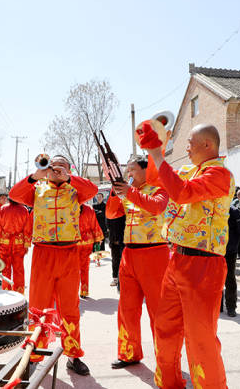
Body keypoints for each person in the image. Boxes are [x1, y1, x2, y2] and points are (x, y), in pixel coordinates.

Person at [141, 123, 235, 389]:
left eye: (191, 142)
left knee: (200, 338)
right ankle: (169, 383)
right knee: (165, 328)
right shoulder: (189, 170)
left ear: (208, 145)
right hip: (177, 258)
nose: (187, 148)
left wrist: (159, 155)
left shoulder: (220, 174)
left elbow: (182, 193)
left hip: (204, 263)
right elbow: (154, 179)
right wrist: (154, 149)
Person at [10, 155, 97, 376]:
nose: (57, 169)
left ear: (70, 170)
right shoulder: (36, 190)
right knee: (39, 307)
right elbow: (14, 194)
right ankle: (35, 354)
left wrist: (69, 178)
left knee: (70, 308)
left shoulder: (76, 191)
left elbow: (93, 190)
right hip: (43, 253)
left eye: (62, 166)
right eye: (53, 166)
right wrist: (34, 176)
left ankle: (73, 354)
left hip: (69, 254)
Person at [107, 157, 169, 369]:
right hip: (129, 254)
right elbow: (111, 213)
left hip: (154, 254)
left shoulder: (160, 188)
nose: (129, 174)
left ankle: (165, 358)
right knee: (127, 308)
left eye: (132, 170)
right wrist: (116, 193)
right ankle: (128, 353)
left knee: (158, 311)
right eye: (127, 170)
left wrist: (130, 192)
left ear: (146, 169)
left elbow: (157, 208)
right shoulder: (127, 191)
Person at [0, 198, 31, 294]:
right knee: (18, 270)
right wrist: (27, 244)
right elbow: (27, 228)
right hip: (18, 243)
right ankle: (19, 293)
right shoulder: (24, 209)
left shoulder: (3, 208)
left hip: (4, 243)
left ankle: (6, 292)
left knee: (5, 269)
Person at [222, 201, 240, 317]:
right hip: (215, 250)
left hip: (229, 251)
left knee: (229, 278)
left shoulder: (234, 211)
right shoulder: (213, 207)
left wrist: (233, 244)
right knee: (215, 280)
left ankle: (231, 307)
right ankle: (218, 306)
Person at [77, 204, 103, 298]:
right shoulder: (89, 209)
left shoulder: (69, 206)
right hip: (87, 241)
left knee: (73, 268)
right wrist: (98, 239)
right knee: (84, 268)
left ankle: (73, 290)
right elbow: (94, 225)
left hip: (73, 241)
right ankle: (84, 291)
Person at [106, 192, 126, 288]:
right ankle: (115, 278)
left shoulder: (125, 208)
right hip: (114, 238)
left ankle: (121, 281)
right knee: (115, 260)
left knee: (123, 260)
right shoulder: (110, 210)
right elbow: (108, 224)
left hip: (123, 239)